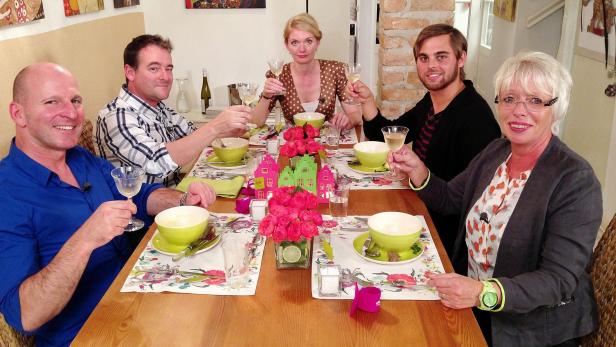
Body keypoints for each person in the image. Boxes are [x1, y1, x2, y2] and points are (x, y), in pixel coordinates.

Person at [0, 63, 217, 347]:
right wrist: (85, 239)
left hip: (142, 294)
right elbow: (25, 315)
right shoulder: (8, 192)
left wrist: (183, 200)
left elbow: (138, 197)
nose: (70, 112)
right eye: (52, 101)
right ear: (18, 113)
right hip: (93, 331)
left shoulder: (79, 157)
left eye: (75, 100)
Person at [393, 51, 601, 346]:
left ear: (556, 108)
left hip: (528, 328)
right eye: (509, 99)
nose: (519, 110)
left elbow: (558, 281)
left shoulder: (574, 180)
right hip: (473, 307)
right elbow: (451, 198)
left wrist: (481, 292)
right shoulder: (496, 152)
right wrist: (418, 170)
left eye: (535, 100)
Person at [348, 23, 501, 256]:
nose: (431, 66)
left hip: (442, 236)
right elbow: (388, 134)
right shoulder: (432, 102)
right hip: (418, 207)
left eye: (441, 57)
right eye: (423, 58)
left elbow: (470, 201)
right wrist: (367, 101)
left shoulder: (475, 118)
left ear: (461, 59)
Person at [96, 34, 253, 187]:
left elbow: (193, 134)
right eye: (154, 68)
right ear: (130, 72)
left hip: (176, 196)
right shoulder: (117, 116)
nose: (165, 77)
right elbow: (157, 162)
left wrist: (228, 127)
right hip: (142, 211)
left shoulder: (157, 106)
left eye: (168, 69)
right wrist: (216, 127)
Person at [252, 13, 361, 130]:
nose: (302, 49)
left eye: (308, 41)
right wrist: (266, 96)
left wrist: (348, 119)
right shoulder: (279, 74)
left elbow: (356, 115)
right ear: (287, 45)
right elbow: (256, 122)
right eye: (295, 42)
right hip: (293, 143)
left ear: (317, 43)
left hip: (326, 142)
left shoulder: (335, 70)